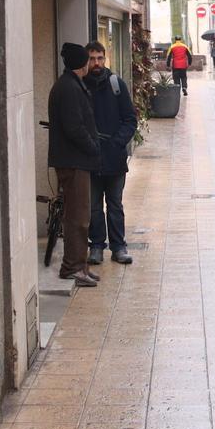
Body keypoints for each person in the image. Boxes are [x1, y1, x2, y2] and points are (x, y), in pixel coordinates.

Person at [48, 43, 101, 287]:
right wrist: (92, 146)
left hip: (76, 159)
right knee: (78, 217)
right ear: (82, 63)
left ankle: (79, 265)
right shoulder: (68, 88)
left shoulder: (71, 84)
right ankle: (72, 267)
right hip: (74, 160)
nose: (91, 64)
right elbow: (74, 127)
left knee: (81, 215)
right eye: (88, 60)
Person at [83, 41, 138, 266]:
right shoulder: (81, 86)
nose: (96, 63)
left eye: (99, 58)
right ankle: (96, 246)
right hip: (90, 158)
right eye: (92, 59)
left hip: (114, 159)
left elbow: (130, 119)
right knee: (94, 206)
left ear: (105, 58)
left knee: (115, 205)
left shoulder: (116, 84)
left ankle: (118, 247)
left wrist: (117, 143)